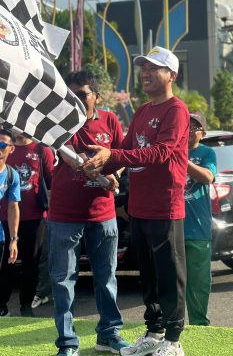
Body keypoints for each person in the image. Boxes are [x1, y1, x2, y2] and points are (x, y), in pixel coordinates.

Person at [83, 46, 189, 356]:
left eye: (154, 68)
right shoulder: (143, 111)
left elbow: (160, 153)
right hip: (139, 207)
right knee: (149, 276)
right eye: (143, 67)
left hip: (166, 207)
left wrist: (113, 156)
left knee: (169, 275)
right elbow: (127, 149)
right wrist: (102, 167)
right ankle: (154, 332)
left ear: (171, 75)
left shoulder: (176, 110)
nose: (145, 73)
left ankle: (174, 340)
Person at [48, 71, 129, 356]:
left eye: (82, 94)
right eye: (71, 95)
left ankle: (109, 334)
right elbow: (66, 158)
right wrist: (81, 161)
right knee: (63, 281)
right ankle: (68, 343)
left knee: (106, 278)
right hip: (64, 215)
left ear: (97, 96)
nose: (76, 100)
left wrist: (115, 173)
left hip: (103, 214)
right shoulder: (57, 123)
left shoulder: (110, 120)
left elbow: (121, 156)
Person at [0, 131, 54, 317]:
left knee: (31, 264)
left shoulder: (41, 150)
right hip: (5, 218)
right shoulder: (5, 147)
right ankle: (2, 305)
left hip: (35, 217)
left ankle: (26, 305)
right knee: (5, 264)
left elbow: (52, 180)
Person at [184, 113, 216, 326]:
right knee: (172, 281)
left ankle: (199, 323)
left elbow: (208, 177)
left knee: (199, 281)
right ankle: (172, 322)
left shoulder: (207, 152)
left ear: (203, 134)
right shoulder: (169, 149)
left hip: (198, 228)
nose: (188, 130)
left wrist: (182, 160)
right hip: (171, 226)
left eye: (194, 128)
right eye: (185, 126)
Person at [0, 128, 20, 314]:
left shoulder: (12, 175)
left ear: (11, 149)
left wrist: (14, 239)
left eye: (2, 145)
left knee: (3, 274)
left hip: (1, 235)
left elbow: (13, 207)